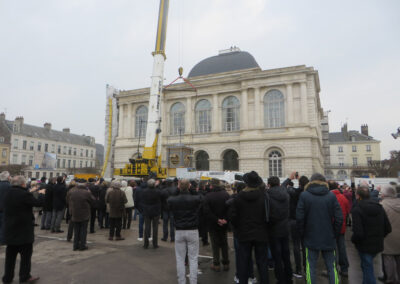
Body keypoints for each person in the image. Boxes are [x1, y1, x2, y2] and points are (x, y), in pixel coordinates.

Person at [296, 173, 343, 284]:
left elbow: (300, 218)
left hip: (310, 235)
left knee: (310, 267)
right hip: (328, 235)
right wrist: (334, 233)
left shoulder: (304, 195)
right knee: (331, 267)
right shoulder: (331, 196)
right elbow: (339, 218)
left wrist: (303, 234)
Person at [2, 175, 45, 283]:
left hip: (10, 229)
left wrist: (30, 191)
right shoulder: (24, 194)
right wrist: (41, 194)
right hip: (23, 231)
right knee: (25, 256)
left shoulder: (8, 192)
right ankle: (24, 276)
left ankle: (7, 277)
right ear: (22, 184)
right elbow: (38, 203)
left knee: (10, 257)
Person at [229, 171, 270, 284]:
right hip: (260, 233)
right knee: (262, 263)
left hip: (244, 234)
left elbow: (233, 217)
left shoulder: (238, 197)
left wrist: (238, 227)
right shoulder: (264, 196)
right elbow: (268, 215)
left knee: (243, 262)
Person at [351, 186, 392, 284]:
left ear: (358, 196)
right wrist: (379, 237)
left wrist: (353, 240)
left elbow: (358, 232)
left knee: (367, 268)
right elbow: (388, 228)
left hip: (364, 245)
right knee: (366, 267)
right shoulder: (379, 207)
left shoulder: (357, 209)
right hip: (377, 244)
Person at [168, 179, 203, 284]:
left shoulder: (173, 200)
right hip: (192, 230)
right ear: (189, 186)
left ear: (179, 186)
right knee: (193, 258)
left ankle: (181, 281)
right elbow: (202, 198)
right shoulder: (195, 199)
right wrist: (192, 190)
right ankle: (193, 281)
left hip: (179, 230)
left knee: (180, 259)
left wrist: (178, 190)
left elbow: (169, 199)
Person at [282, 172, 308, 278]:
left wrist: (289, 178)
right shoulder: (308, 193)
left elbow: (282, 187)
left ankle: (298, 270)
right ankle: (307, 268)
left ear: (299, 183)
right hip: (305, 221)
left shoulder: (294, 192)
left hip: (294, 221)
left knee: (296, 246)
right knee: (305, 245)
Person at [267, 176, 293, 284]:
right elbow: (283, 186)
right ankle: (289, 276)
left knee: (277, 256)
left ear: (269, 185)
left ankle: (280, 279)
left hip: (274, 229)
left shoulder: (267, 195)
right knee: (286, 254)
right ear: (278, 184)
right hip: (285, 227)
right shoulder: (285, 193)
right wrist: (288, 178)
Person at [203, 178, 230, 272]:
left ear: (211, 186)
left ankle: (216, 264)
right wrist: (225, 219)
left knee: (215, 244)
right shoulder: (226, 195)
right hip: (224, 223)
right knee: (224, 243)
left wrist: (217, 220)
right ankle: (226, 263)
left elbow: (206, 212)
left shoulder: (208, 196)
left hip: (213, 224)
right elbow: (229, 209)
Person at [329, 181, 351, 277]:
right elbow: (347, 211)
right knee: (342, 248)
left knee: (331, 249)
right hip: (341, 227)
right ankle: (344, 268)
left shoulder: (328, 198)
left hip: (331, 227)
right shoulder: (343, 197)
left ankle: (332, 268)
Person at [379, 185, 400, 284]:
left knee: (388, 258)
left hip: (388, 235)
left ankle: (390, 279)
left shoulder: (382, 205)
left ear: (383, 194)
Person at [68, 182, 95, 251]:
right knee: (83, 230)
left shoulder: (73, 192)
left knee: (76, 230)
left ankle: (75, 245)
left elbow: (69, 200)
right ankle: (82, 245)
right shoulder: (86, 193)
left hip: (75, 213)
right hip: (84, 213)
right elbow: (93, 201)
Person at [141, 179, 162, 249]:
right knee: (155, 228)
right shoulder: (158, 191)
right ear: (154, 184)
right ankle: (155, 244)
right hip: (156, 211)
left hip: (146, 211)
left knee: (147, 227)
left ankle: (146, 244)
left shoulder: (143, 191)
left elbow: (141, 201)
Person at [0, 171, 11, 244]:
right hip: (5, 209)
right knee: (4, 226)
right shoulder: (9, 186)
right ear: (7, 177)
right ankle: (2, 240)